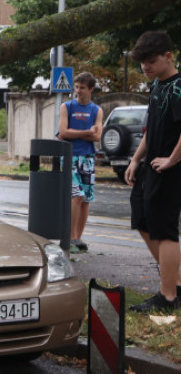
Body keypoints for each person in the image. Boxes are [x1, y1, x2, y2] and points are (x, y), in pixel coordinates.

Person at [125, 31, 181, 312]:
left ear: (168, 56)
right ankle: (176, 283)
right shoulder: (157, 85)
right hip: (151, 167)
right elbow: (152, 129)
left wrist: (171, 160)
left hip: (171, 170)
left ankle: (168, 297)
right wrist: (136, 159)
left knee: (165, 230)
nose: (145, 67)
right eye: (142, 62)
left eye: (150, 61)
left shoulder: (179, 86)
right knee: (143, 219)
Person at [58, 72, 102, 252]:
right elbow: (63, 132)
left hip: (88, 158)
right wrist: (86, 133)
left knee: (85, 200)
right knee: (76, 195)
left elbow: (98, 136)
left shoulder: (96, 110)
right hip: (69, 157)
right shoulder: (66, 107)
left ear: (91, 89)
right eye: (76, 87)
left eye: (82, 88)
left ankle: (78, 238)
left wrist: (80, 133)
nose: (78, 91)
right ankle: (71, 238)